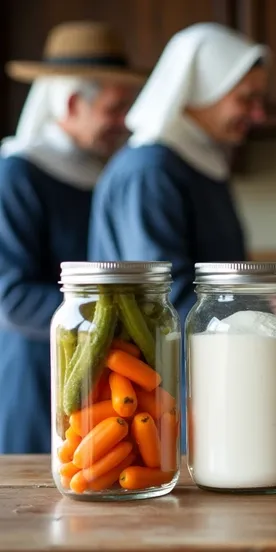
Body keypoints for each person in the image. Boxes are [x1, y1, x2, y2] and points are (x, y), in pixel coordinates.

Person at [0, 21, 142, 453]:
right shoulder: (18, 174)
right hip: (38, 367)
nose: (125, 122)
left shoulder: (108, 172)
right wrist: (109, 320)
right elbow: (12, 296)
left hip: (103, 366)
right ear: (74, 103)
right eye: (115, 109)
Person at [88, 23, 269, 320]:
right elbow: (164, 298)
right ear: (201, 91)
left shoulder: (198, 162)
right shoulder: (149, 171)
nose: (259, 114)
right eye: (246, 98)